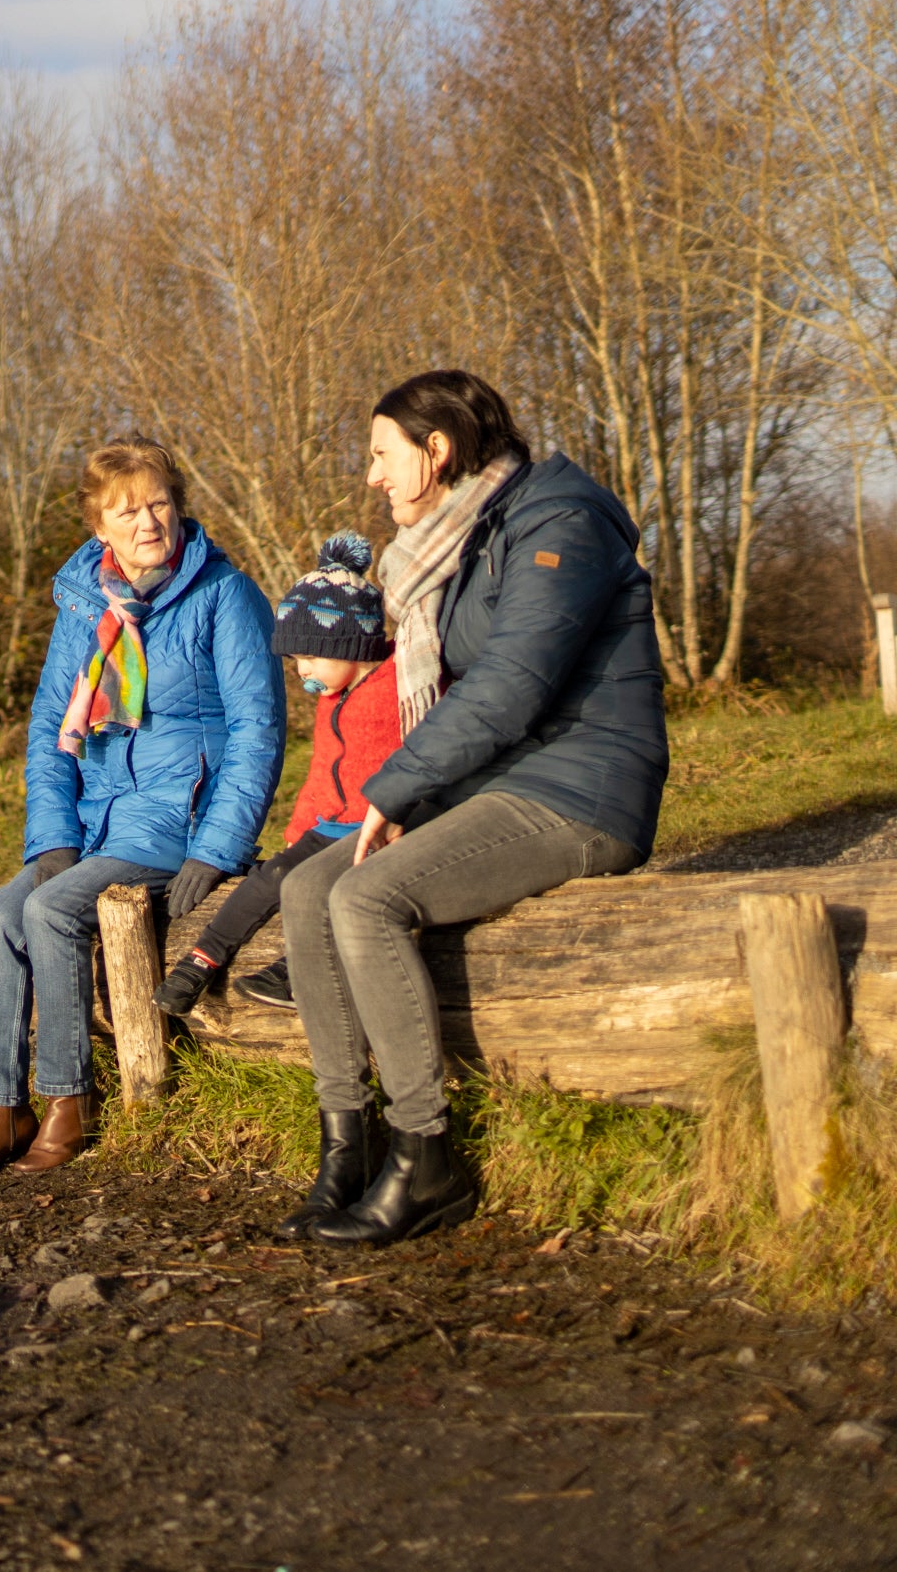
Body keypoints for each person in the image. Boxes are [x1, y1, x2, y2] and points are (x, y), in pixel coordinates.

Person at [276, 370, 668, 1244]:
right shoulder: (468, 538)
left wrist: (395, 788)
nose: (373, 475)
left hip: (582, 789)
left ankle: (427, 1160)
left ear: (438, 451)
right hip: (505, 785)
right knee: (307, 889)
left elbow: (512, 684)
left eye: (383, 454)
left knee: (366, 895)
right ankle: (347, 1140)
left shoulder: (560, 520)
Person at [0, 437, 285, 1179]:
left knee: (52, 910)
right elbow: (48, 730)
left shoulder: (225, 594)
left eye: (159, 502)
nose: (147, 521)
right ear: (100, 525)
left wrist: (216, 847)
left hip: (177, 817)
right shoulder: (84, 604)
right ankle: (2, 1106)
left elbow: (259, 730)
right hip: (98, 818)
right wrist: (52, 838)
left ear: (179, 505)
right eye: (127, 510)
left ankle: (71, 1099)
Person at [153, 532, 402, 1019]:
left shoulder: (396, 684)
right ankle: (201, 959)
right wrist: (297, 832)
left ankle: (299, 967)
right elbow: (320, 773)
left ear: (349, 644)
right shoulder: (334, 698)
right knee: (270, 877)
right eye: (295, 660)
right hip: (331, 825)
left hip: (378, 826)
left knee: (325, 888)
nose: (301, 670)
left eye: (310, 657)